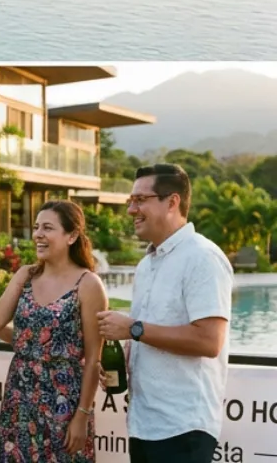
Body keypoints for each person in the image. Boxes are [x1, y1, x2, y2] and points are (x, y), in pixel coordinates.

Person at [96, 163, 232, 463]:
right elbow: (151, 332)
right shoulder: (147, 265)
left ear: (172, 202)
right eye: (131, 201)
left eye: (141, 200)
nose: (132, 209)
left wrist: (133, 329)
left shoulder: (202, 257)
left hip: (183, 429)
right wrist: (122, 364)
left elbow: (209, 341)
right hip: (143, 424)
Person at [0, 200, 107, 462]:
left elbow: (93, 360)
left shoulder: (88, 284)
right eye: (36, 227)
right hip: (19, 397)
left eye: (48, 228)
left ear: (72, 235)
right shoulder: (26, 275)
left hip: (64, 402)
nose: (38, 235)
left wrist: (82, 416)